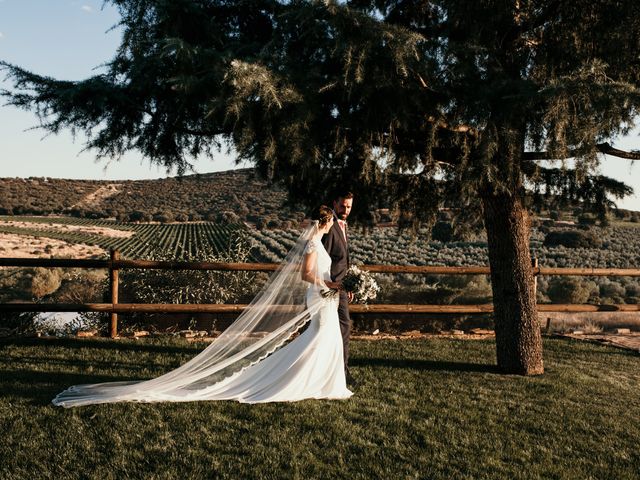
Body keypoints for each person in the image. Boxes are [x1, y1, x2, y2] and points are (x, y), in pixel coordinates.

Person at [52, 205, 352, 407]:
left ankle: (322, 382)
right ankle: (304, 382)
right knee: (321, 337)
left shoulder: (318, 242)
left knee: (326, 339)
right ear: (324, 222)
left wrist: (337, 285)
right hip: (321, 295)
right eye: (329, 222)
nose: (329, 226)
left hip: (325, 295)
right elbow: (306, 274)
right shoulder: (313, 244)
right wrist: (332, 285)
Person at [321, 191, 356, 386]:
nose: (346, 210)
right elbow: (322, 260)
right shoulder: (329, 227)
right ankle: (340, 371)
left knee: (343, 328)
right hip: (330, 288)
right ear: (335, 203)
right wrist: (332, 285)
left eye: (349, 206)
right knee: (339, 328)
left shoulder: (342, 225)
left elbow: (343, 260)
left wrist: (348, 284)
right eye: (343, 206)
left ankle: (339, 369)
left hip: (341, 287)